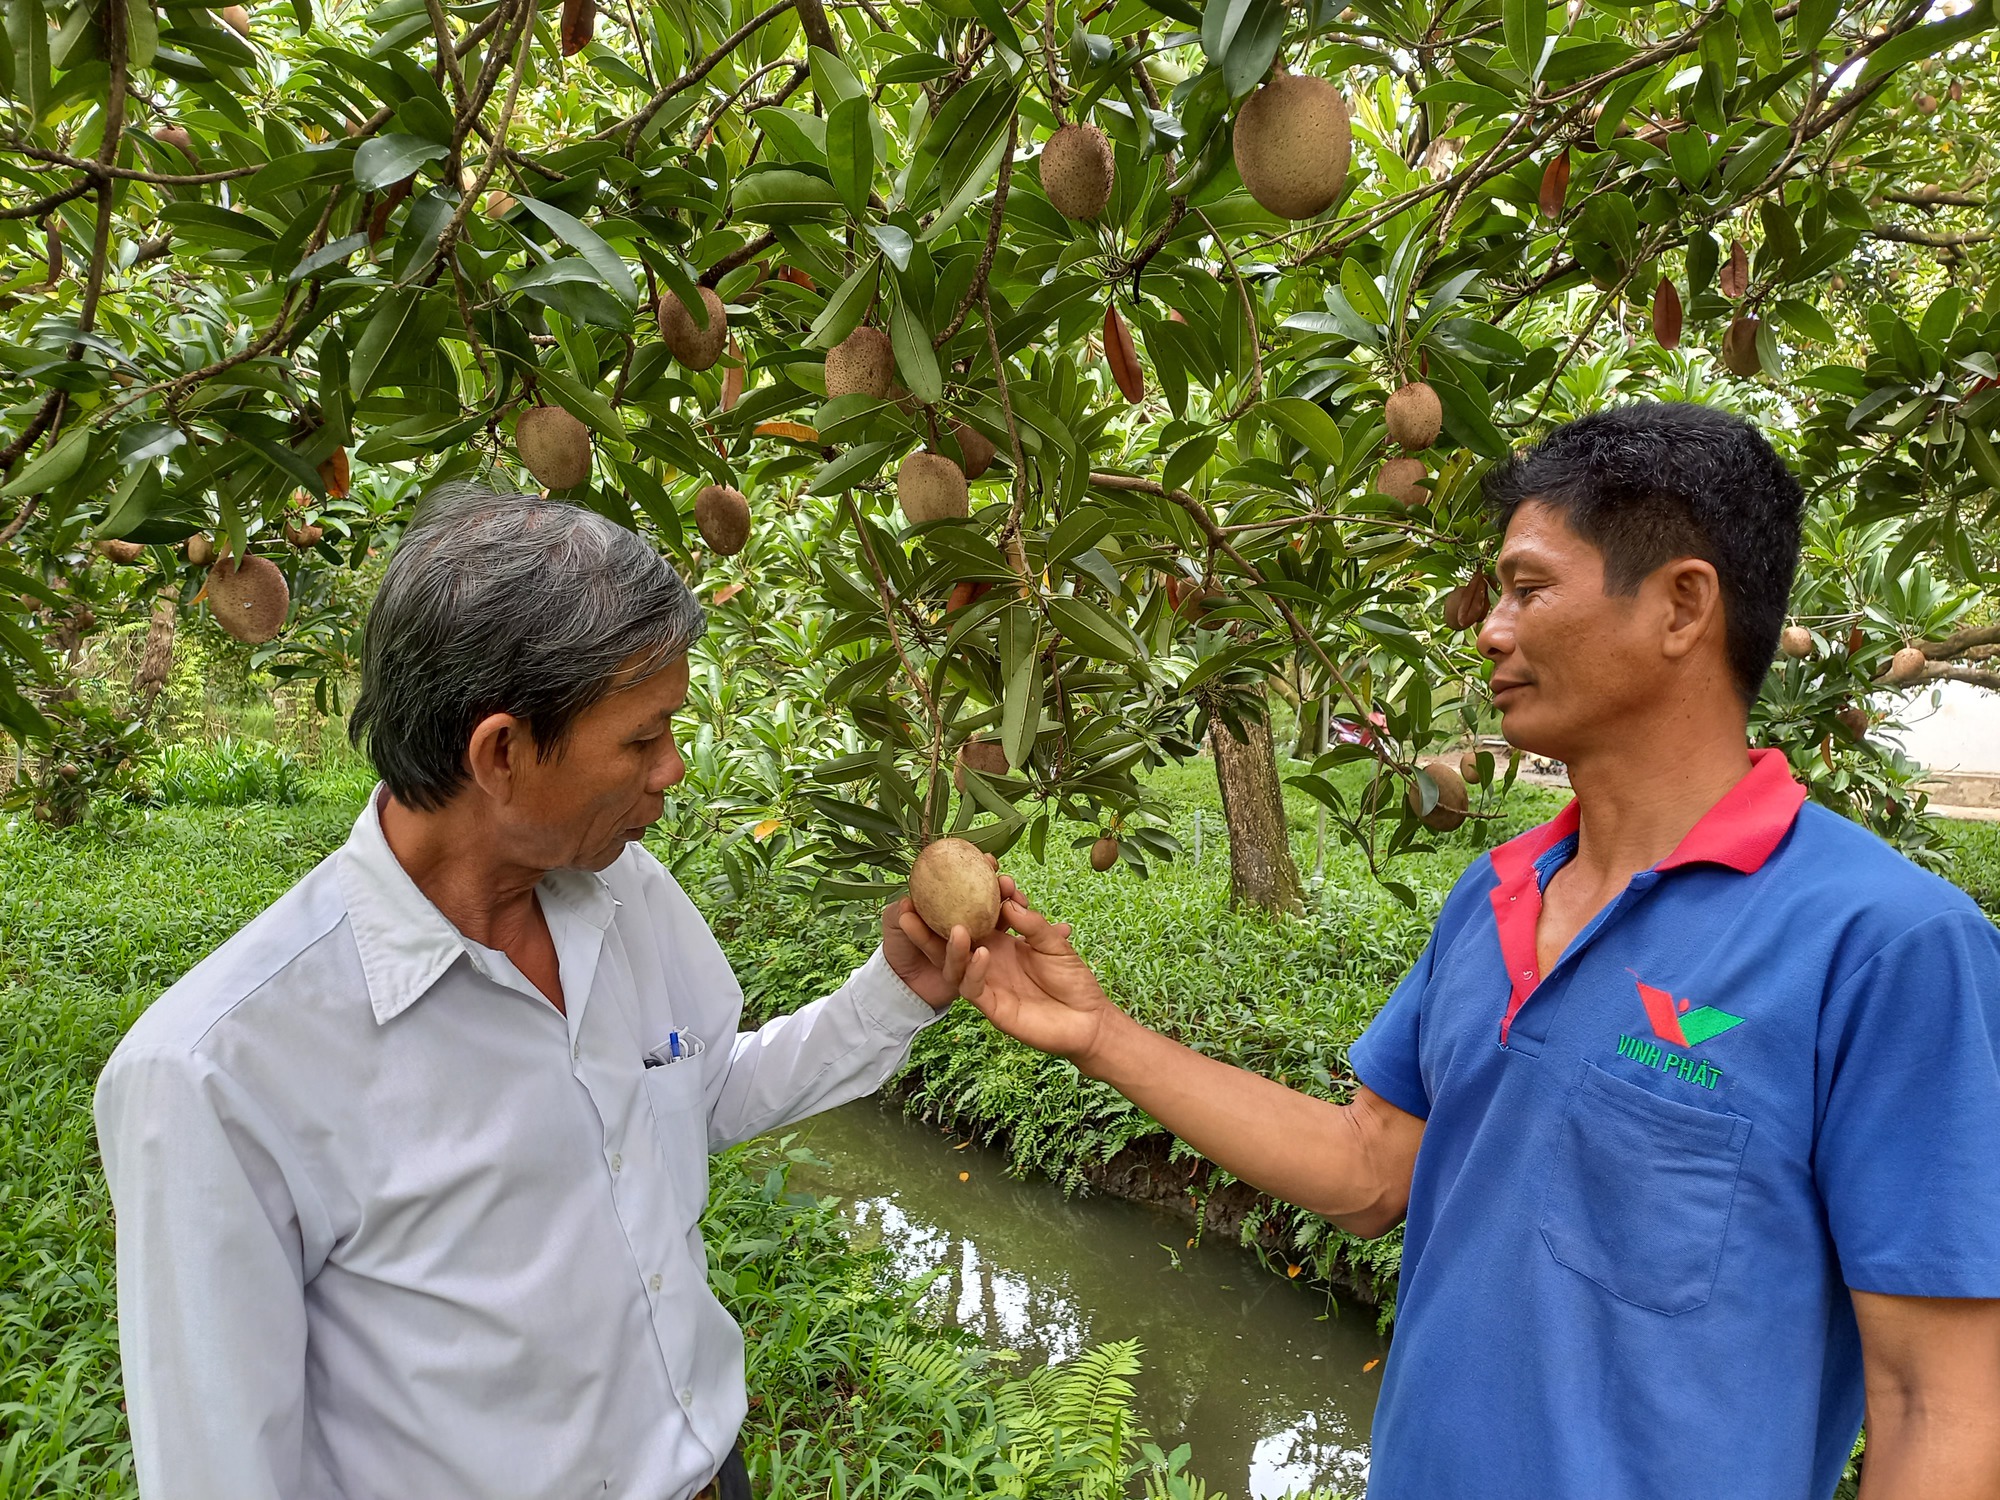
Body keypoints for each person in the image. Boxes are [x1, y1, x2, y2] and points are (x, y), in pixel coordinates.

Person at [910, 403, 2000, 1499]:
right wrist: (1098, 1036)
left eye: (1528, 588)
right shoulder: (1492, 893)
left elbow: (1937, 1404)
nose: (1488, 629)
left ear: (1681, 606)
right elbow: (1369, 1169)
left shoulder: (1885, 948)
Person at [95, 484, 963, 1500]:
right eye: (641, 740)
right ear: (501, 753)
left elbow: (702, 1090)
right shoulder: (214, 1073)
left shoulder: (617, 886)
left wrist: (895, 992)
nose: (672, 770)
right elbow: (220, 1473)